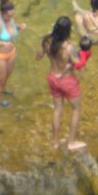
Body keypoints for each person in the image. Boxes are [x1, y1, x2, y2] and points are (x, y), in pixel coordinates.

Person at [36, 16, 86, 152]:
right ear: (68, 31)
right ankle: (71, 142)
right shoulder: (69, 48)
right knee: (76, 109)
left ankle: (56, 143)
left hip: (52, 78)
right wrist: (81, 61)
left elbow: (38, 57)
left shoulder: (46, 41)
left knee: (57, 109)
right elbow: (80, 68)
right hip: (67, 81)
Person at [0, 0, 25, 107]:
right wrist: (3, 43)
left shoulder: (11, 19)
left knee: (6, 77)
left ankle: (3, 90)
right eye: (9, 16)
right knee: (0, 81)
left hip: (11, 53)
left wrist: (20, 27)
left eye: (12, 15)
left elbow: (15, 26)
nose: (11, 18)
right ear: (2, 13)